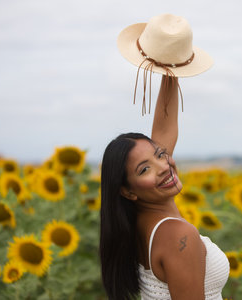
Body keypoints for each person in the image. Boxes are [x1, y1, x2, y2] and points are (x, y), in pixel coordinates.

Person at [100, 14, 230, 300]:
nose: (165, 165)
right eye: (145, 169)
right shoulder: (176, 236)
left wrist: (170, 68)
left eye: (161, 155)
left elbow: (163, 130)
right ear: (127, 190)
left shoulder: (137, 220)